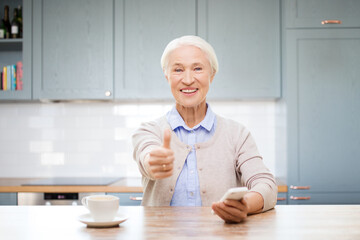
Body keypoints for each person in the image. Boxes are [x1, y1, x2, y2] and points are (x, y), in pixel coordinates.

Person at [132, 35, 277, 223]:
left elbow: (266, 185)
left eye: (198, 68)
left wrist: (245, 205)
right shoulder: (149, 131)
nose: (188, 79)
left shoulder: (237, 134)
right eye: (178, 70)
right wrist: (153, 162)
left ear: (212, 74)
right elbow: (147, 154)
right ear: (166, 75)